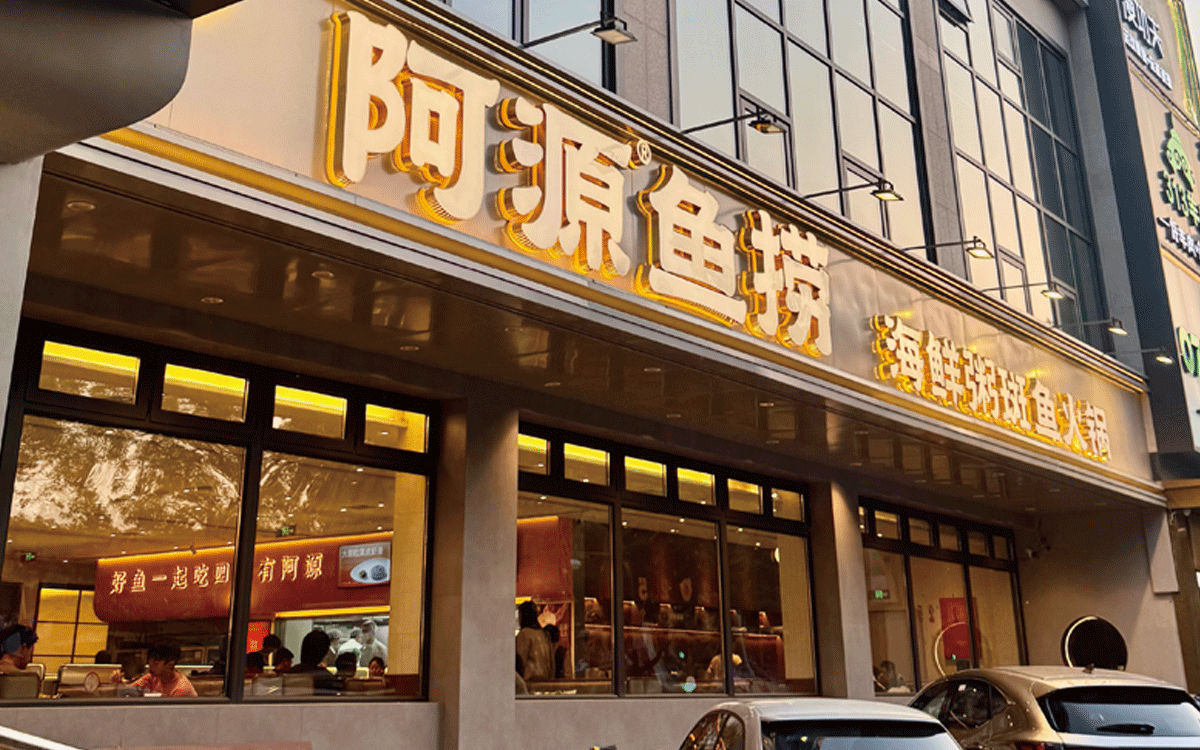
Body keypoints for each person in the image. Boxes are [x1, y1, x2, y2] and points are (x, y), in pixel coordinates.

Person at [124, 643, 197, 697]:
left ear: (170, 664)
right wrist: (120, 682)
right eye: (149, 662)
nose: (150, 666)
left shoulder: (181, 690)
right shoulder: (153, 678)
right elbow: (127, 690)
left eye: (155, 663)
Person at [515, 600, 552, 682]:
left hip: (530, 681)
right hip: (545, 680)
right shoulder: (543, 634)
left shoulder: (524, 634)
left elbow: (520, 661)